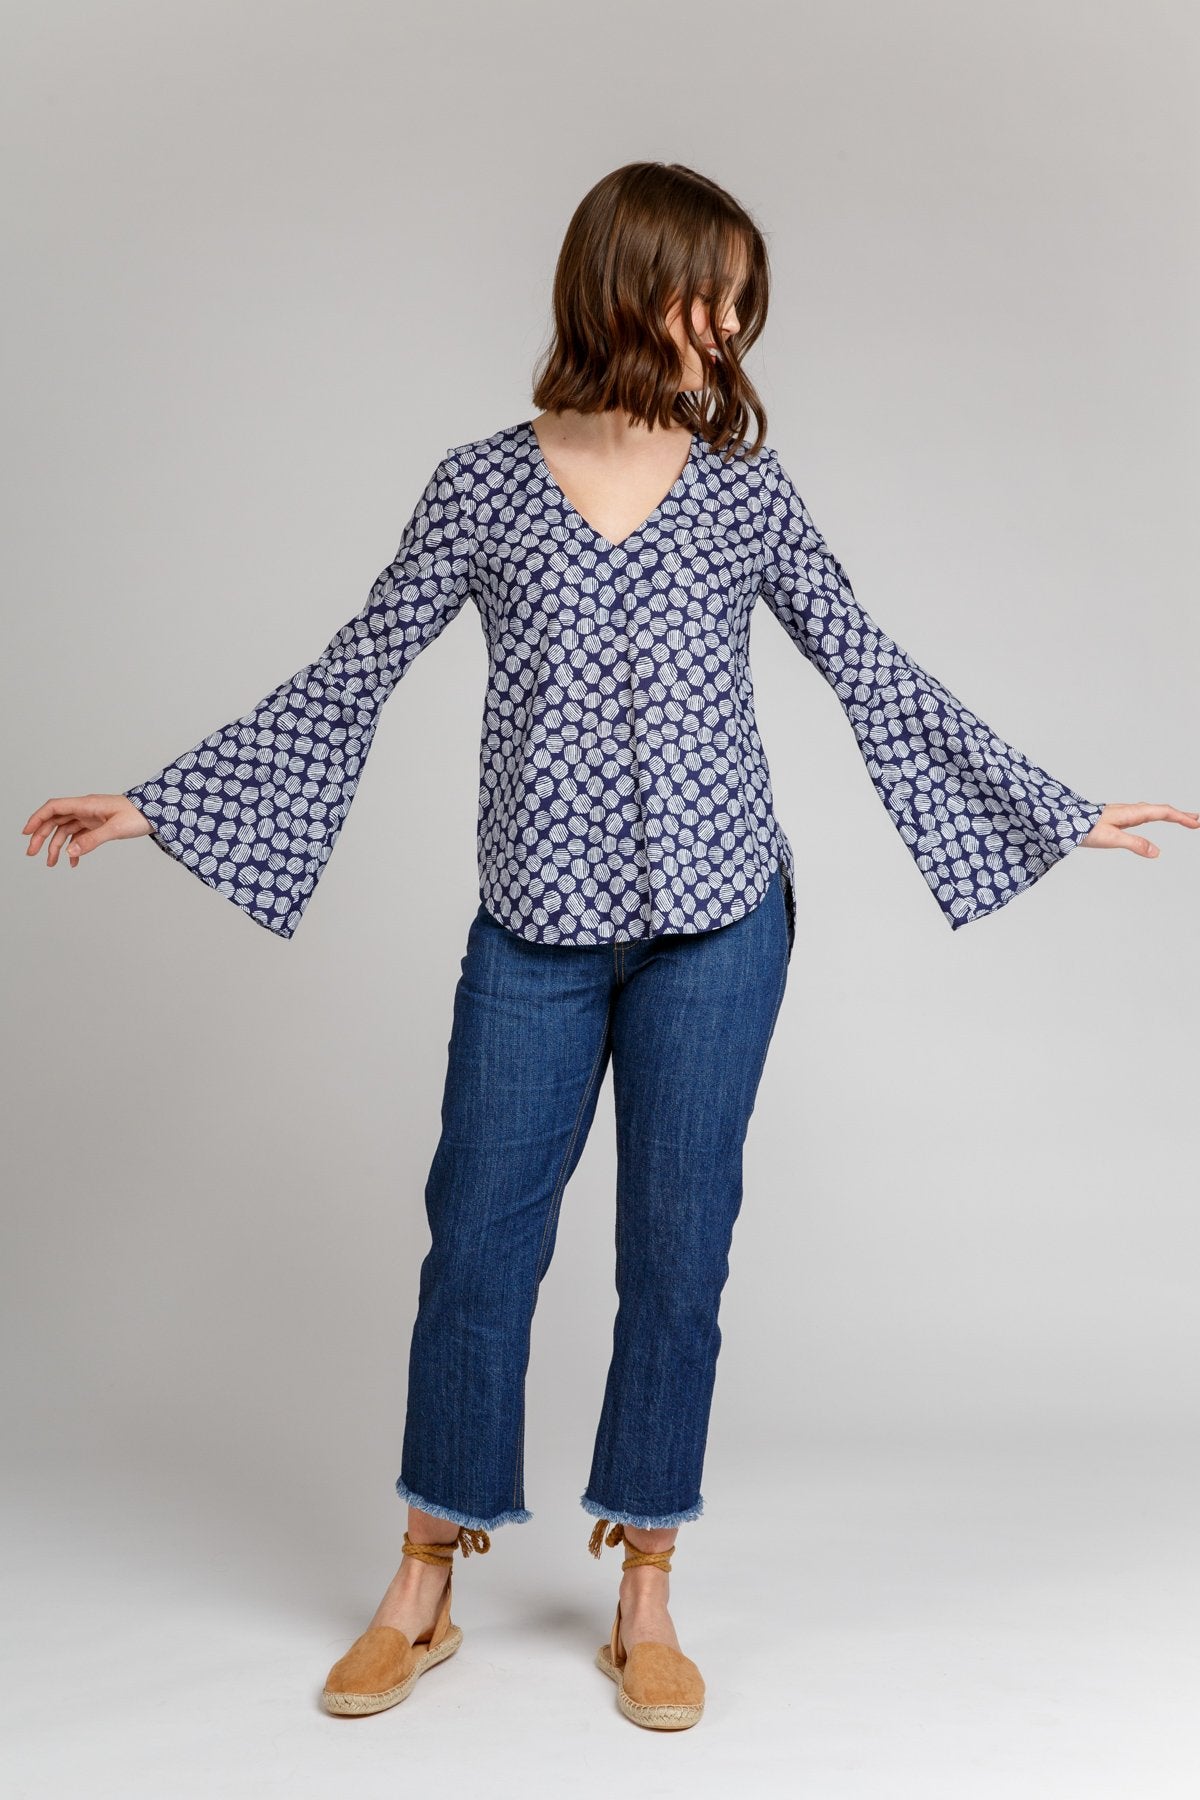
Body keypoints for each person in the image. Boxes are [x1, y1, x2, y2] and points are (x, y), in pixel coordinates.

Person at [21, 160, 1197, 1733]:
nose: (730, 328)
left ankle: (646, 1584)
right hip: (537, 928)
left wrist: (1054, 811)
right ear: (626, 286)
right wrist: (163, 805)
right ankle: (425, 1577)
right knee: (476, 1244)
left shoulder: (746, 495)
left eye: (742, 303)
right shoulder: (480, 489)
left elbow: (868, 665)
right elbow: (355, 670)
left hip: (721, 925)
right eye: (709, 295)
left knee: (678, 1253)